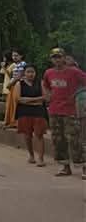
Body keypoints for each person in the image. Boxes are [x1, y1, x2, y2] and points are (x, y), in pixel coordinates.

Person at [42, 48, 86, 178]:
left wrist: (77, 93)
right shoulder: (49, 73)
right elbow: (45, 84)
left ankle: (83, 165)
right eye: (54, 57)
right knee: (58, 139)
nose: (57, 60)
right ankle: (64, 166)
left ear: (64, 58)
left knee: (75, 139)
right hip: (54, 110)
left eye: (59, 57)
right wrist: (47, 95)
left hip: (70, 111)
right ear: (51, 59)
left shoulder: (74, 72)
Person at [9, 65, 47, 166]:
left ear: (36, 73)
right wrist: (36, 100)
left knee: (39, 134)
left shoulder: (40, 83)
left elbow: (45, 97)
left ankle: (41, 158)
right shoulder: (19, 84)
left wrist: (27, 100)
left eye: (32, 72)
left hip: (38, 112)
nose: (30, 74)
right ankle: (31, 155)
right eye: (28, 72)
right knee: (27, 135)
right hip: (24, 112)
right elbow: (18, 99)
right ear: (24, 73)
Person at [0, 51, 17, 128]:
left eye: (4, 57)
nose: (3, 59)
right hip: (6, 85)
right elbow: (2, 73)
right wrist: (4, 67)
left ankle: (10, 121)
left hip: (10, 86)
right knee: (7, 105)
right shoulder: (7, 65)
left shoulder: (14, 65)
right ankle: (6, 120)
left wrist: (5, 68)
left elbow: (11, 76)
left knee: (10, 105)